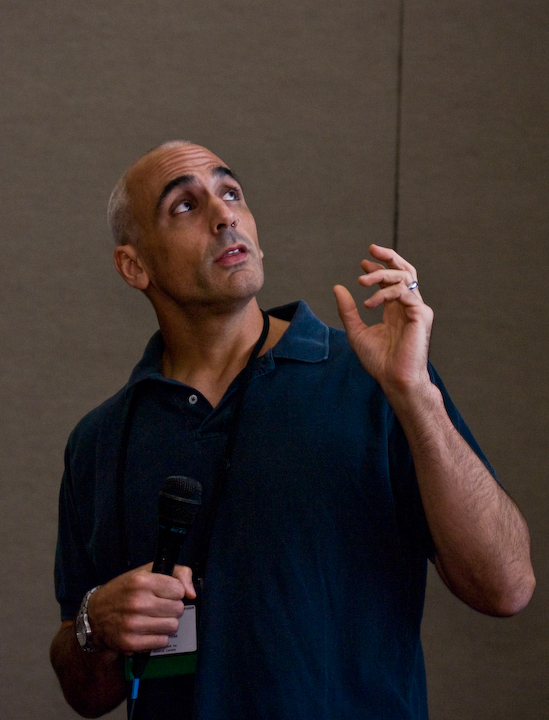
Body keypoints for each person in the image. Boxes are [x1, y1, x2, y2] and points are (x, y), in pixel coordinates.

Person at [50, 140, 535, 720]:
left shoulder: (371, 381)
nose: (224, 214)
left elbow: (506, 588)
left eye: (231, 193)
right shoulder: (100, 441)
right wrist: (94, 622)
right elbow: (88, 695)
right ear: (135, 266)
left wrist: (417, 397)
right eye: (184, 205)